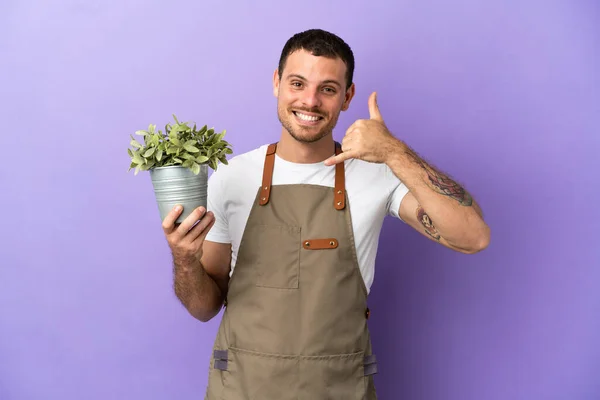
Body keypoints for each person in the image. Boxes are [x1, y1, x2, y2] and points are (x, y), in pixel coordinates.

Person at [161, 28, 490, 399]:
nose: (310, 101)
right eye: (298, 83)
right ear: (277, 82)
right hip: (242, 388)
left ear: (347, 97)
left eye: (328, 89)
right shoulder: (231, 176)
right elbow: (205, 308)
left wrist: (394, 153)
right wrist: (184, 260)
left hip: (340, 389)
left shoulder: (378, 175)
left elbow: (472, 236)